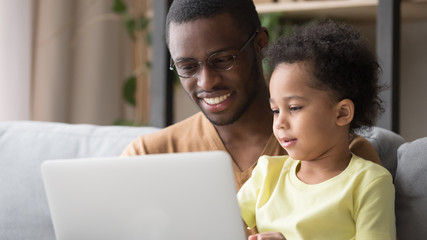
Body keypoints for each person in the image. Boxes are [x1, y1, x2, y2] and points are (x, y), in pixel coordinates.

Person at [121, 0, 381, 236]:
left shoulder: (342, 158)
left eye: (222, 60)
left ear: (260, 45)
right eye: (187, 67)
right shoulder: (147, 156)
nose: (207, 81)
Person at [237, 19, 396, 240]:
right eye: (275, 110)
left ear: (341, 113)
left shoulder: (369, 183)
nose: (280, 122)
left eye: (293, 108)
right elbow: (218, 223)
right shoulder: (266, 174)